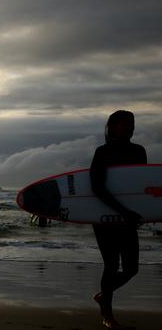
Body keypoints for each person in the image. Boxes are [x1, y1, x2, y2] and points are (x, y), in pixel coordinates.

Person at [90, 110, 146, 329]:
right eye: (124, 125)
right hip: (104, 215)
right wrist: (122, 211)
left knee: (132, 268)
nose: (129, 128)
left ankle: (103, 296)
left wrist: (144, 212)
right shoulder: (102, 152)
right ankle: (107, 314)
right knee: (111, 266)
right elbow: (97, 188)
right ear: (112, 127)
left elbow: (139, 187)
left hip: (128, 216)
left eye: (131, 124)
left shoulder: (139, 151)